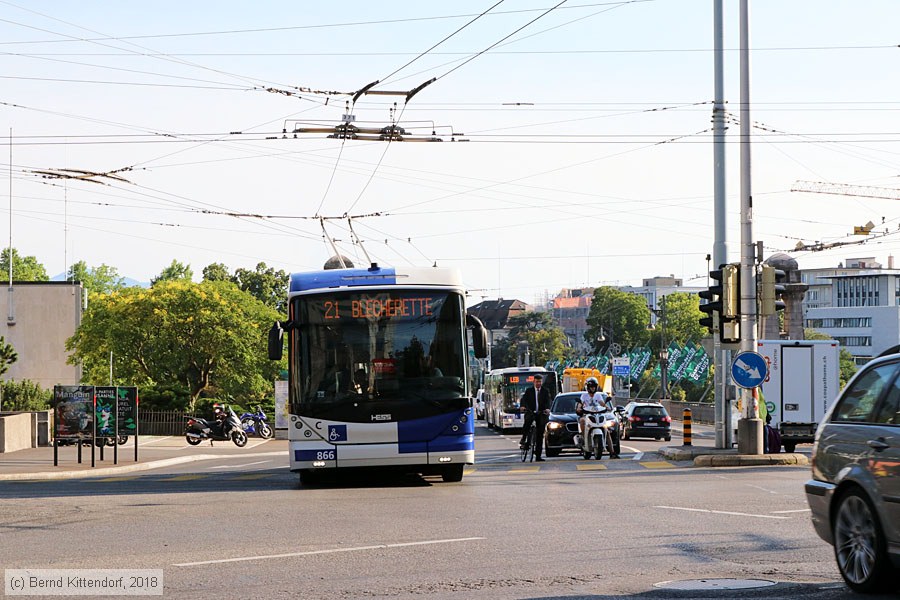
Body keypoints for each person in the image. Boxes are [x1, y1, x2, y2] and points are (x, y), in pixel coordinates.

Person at [575, 377, 618, 458]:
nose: (593, 388)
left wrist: (607, 407)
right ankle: (584, 438)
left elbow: (602, 403)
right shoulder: (584, 396)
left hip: (597, 415)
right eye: (591, 386)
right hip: (587, 415)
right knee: (582, 421)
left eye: (594, 386)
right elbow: (581, 404)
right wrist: (579, 408)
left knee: (607, 431)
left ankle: (612, 452)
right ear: (587, 387)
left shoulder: (598, 395)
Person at [518, 374, 552, 461]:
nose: (538, 383)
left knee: (540, 434)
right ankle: (524, 438)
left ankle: (538, 455)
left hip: (541, 413)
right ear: (534, 382)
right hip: (531, 411)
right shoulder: (529, 391)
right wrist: (522, 406)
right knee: (528, 421)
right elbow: (524, 400)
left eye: (540, 382)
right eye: (537, 382)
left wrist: (547, 409)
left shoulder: (545, 391)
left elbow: (548, 401)